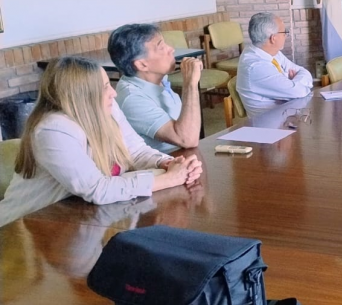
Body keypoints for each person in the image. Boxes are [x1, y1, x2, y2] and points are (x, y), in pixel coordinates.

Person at [0, 57, 202, 224]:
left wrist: (167, 163)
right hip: (22, 229)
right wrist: (169, 179)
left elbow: (135, 151)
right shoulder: (52, 130)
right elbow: (97, 189)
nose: (113, 92)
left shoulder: (107, 107)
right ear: (82, 96)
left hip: (74, 217)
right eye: (105, 87)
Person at [108, 24, 204, 153]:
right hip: (163, 166)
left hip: (184, 158)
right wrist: (190, 84)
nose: (171, 49)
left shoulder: (159, 79)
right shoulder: (132, 98)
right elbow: (187, 139)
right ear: (142, 64)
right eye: (162, 47)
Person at [236, 12, 314, 116]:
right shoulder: (256, 67)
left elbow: (303, 72)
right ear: (273, 38)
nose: (286, 36)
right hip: (271, 125)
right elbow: (300, 92)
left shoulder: (271, 52)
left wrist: (292, 83)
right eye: (284, 32)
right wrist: (292, 84)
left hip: (287, 113)